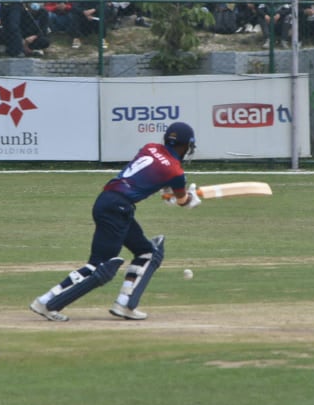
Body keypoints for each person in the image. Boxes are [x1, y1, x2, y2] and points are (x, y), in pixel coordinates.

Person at [30, 122, 201, 322]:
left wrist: (169, 193)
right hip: (117, 208)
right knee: (100, 266)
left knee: (147, 253)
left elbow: (153, 178)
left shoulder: (150, 148)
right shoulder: (176, 171)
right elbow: (182, 200)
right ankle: (47, 302)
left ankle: (125, 304)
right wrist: (189, 199)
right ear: (186, 145)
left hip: (108, 201)